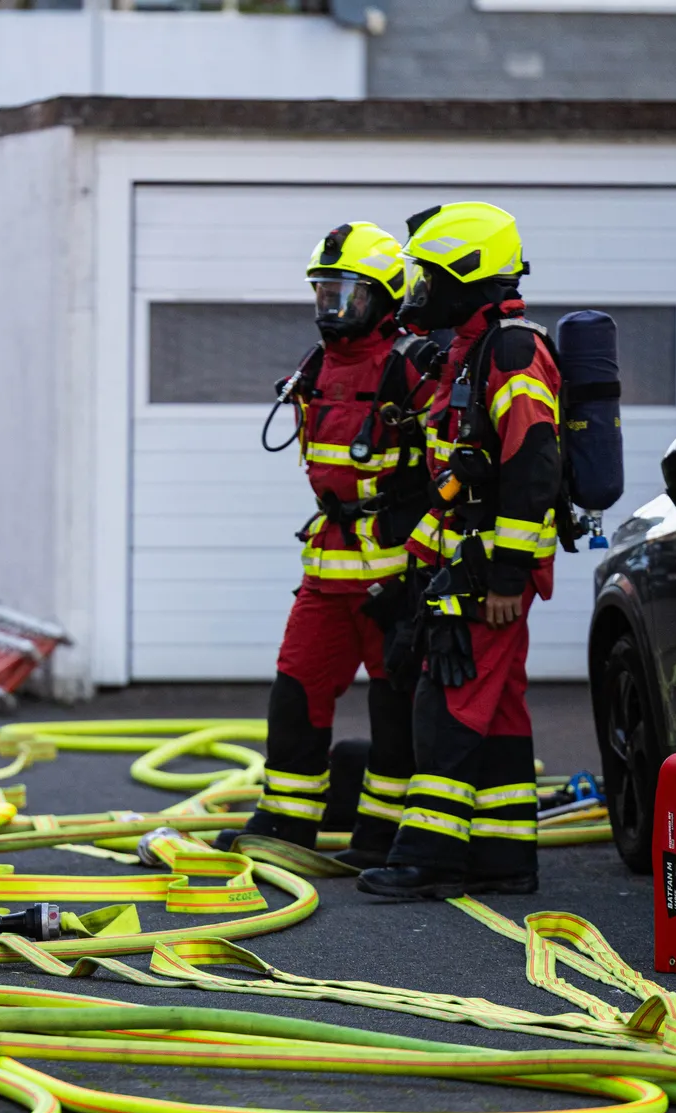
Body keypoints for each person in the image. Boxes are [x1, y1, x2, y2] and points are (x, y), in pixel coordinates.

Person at [215, 222, 436, 866]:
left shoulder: (412, 367)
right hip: (326, 569)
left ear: (387, 296)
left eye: (346, 296)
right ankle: (285, 825)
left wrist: (417, 579)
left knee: (394, 711)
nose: (330, 310)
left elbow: (439, 474)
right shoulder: (317, 366)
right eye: (323, 294)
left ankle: (384, 834)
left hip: (393, 575)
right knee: (294, 692)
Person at [357, 201, 561, 900]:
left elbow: (533, 464)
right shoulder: (468, 355)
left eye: (429, 276)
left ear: (465, 276)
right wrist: (411, 570)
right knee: (498, 708)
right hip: (467, 564)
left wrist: (508, 570)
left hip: (490, 571)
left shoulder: (510, 352)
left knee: (447, 704)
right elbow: (455, 481)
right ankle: (505, 857)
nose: (419, 291)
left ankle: (429, 857)